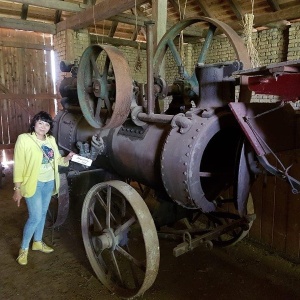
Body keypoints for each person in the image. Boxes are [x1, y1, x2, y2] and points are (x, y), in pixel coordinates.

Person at [12, 111, 75, 266]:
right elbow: (18, 165)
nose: (43, 127)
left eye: (47, 124)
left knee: (42, 214)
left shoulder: (51, 140)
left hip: (49, 183)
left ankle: (38, 242)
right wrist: (17, 188)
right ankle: (24, 249)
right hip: (34, 183)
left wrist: (66, 158)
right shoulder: (24, 139)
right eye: (40, 122)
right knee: (35, 217)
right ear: (34, 123)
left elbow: (56, 160)